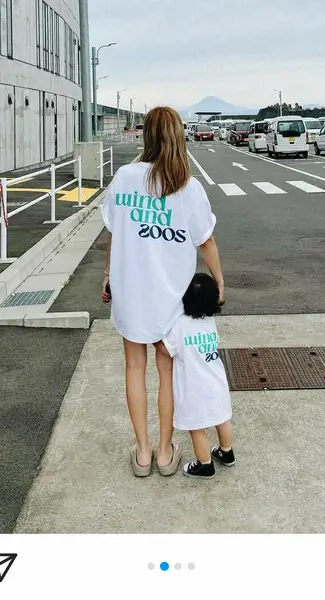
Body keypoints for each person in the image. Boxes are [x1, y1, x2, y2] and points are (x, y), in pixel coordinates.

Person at [100, 105, 225, 477]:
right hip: (171, 298)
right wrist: (219, 281)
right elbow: (206, 241)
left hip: (131, 292)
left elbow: (113, 232)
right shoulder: (187, 186)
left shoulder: (124, 178)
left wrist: (108, 275)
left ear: (146, 137)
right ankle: (166, 452)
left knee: (133, 367)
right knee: (167, 372)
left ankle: (142, 452)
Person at [162, 273, 234, 479]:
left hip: (194, 387)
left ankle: (205, 465)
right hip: (217, 383)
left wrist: (155, 339)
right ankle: (226, 452)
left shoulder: (180, 325)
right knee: (222, 419)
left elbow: (167, 349)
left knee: (196, 427)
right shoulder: (210, 322)